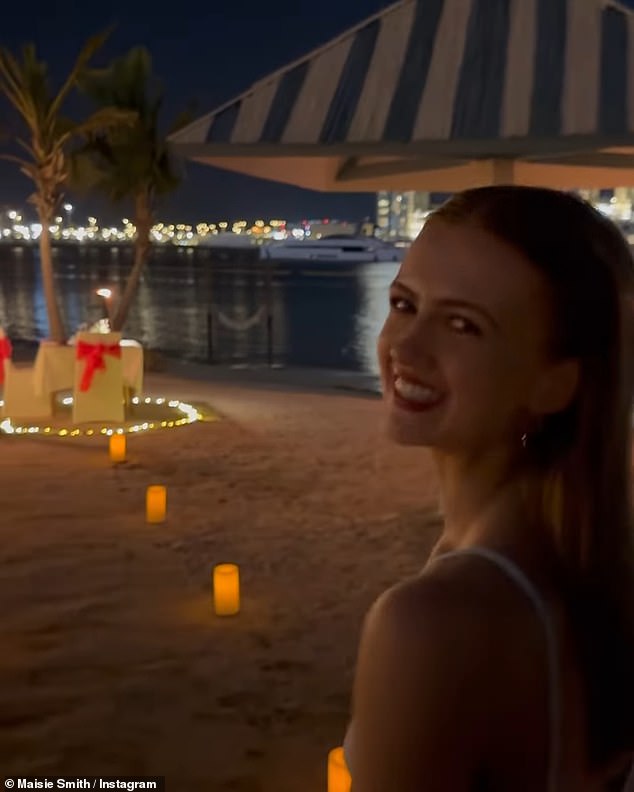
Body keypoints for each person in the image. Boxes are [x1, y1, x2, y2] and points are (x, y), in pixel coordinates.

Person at [343, 186, 634, 791]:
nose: (406, 346)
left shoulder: (432, 624)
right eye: (404, 304)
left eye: (462, 324)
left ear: (554, 384)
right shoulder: (585, 565)